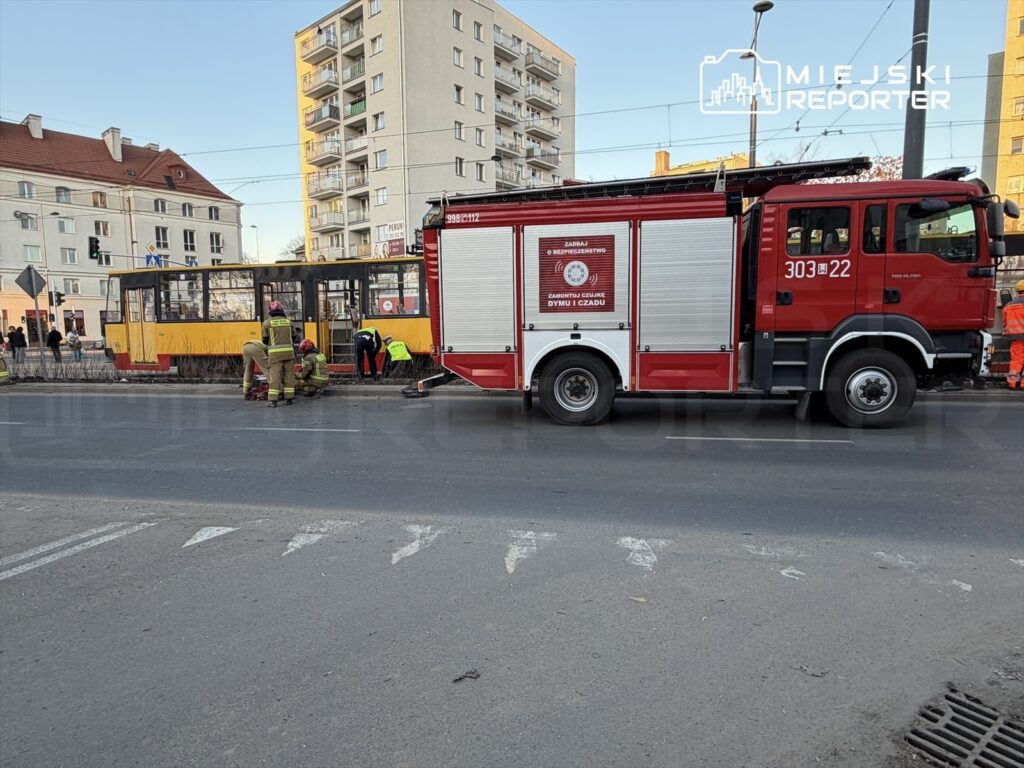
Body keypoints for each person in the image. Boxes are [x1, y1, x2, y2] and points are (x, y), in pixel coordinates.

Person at [261, 300, 296, 407]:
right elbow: (294, 337)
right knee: (289, 376)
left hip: (275, 355)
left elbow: (265, 340)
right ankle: (289, 398)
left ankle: (273, 400)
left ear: (270, 311)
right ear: (282, 310)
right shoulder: (289, 322)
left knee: (275, 377)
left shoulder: (267, 323)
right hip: (289, 354)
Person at [1004, 279, 1024, 391]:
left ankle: (1012, 382)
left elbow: (1004, 323)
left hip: (1015, 338)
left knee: (1016, 360)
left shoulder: (1008, 306)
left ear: (1017, 291)